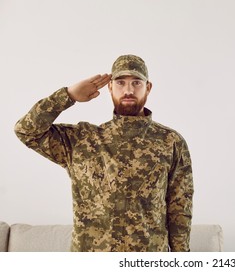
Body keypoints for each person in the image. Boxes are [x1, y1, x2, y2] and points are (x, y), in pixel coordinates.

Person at [14, 54, 194, 252]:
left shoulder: (170, 141)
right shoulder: (82, 140)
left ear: (148, 87)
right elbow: (26, 131)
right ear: (109, 87)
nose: (128, 90)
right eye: (120, 83)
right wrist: (68, 95)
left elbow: (179, 208)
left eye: (136, 82)